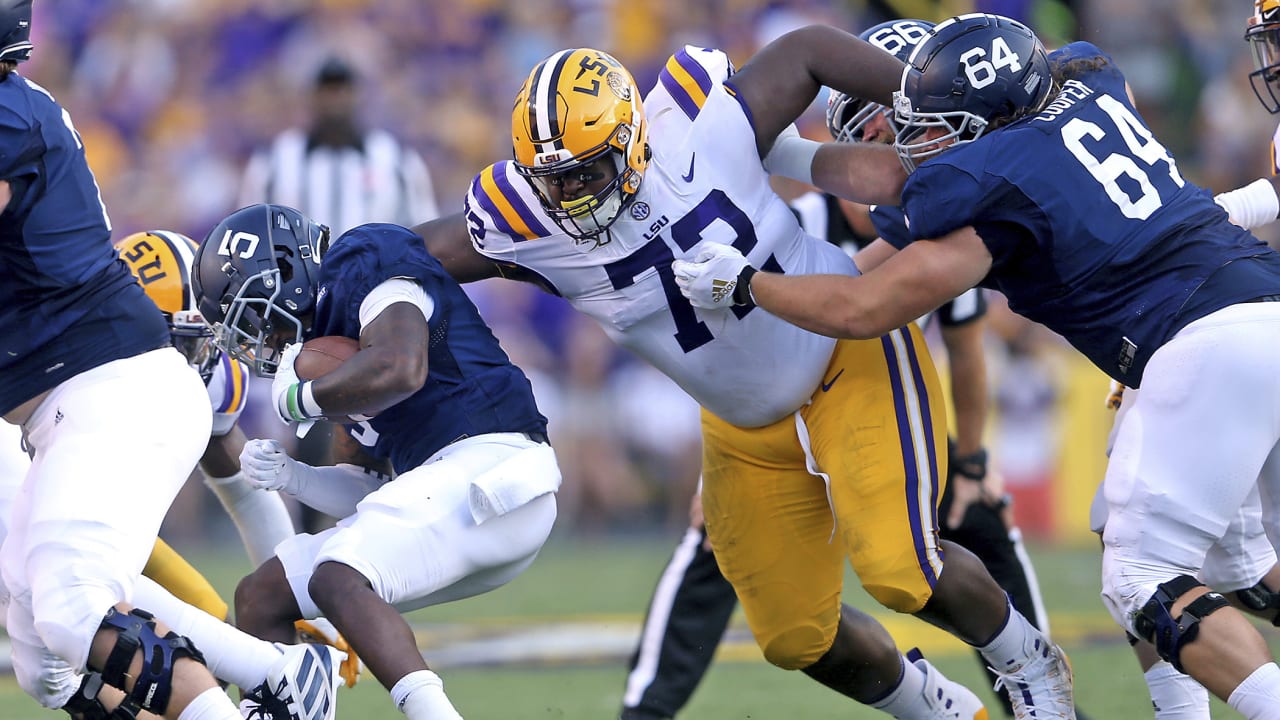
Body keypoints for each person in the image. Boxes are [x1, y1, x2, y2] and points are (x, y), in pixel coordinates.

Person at [412, 31, 1077, 720]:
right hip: (743, 423)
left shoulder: (694, 124)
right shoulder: (525, 221)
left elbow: (809, 50)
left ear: (632, 139)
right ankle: (937, 708)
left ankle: (1029, 663)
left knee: (901, 569)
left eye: (588, 170)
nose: (572, 194)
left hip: (841, 357)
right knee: (795, 637)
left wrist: (920, 96)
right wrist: (349, 279)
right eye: (555, 179)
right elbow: (408, 252)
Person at [674, 12, 1280, 719]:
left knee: (1142, 577)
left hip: (1200, 342)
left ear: (988, 118)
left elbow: (862, 305)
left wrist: (748, 284)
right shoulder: (1086, 81)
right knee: (1225, 564)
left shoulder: (992, 187)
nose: (915, 144)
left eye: (934, 126)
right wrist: (781, 154)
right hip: (1247, 307)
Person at [0, 2, 311, 718]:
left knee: (75, 607)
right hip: (70, 403)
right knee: (45, 662)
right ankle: (273, 673)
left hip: (106, 385)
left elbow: (243, 486)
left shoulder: (8, 116)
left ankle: (269, 680)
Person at [189, 203, 561, 720]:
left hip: (497, 466)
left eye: (255, 317)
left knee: (337, 575)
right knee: (262, 595)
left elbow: (400, 368)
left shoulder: (363, 261)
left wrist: (304, 399)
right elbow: (369, 492)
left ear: (284, 277)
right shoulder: (336, 350)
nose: (261, 339)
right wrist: (294, 477)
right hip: (458, 498)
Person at [237, 53, 442, 537]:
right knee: (310, 428)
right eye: (326, 90)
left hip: (381, 313)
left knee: (379, 424)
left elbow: (425, 239)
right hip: (300, 316)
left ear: (356, 95)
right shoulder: (275, 162)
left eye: (342, 90)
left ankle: (387, 535)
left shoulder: (396, 161)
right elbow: (251, 238)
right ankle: (314, 538)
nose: (334, 100)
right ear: (311, 97)